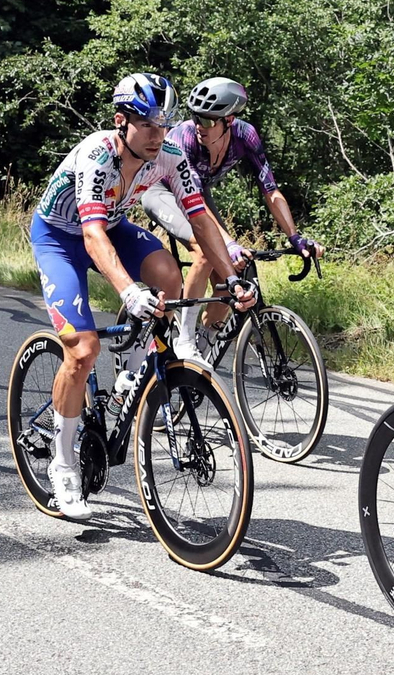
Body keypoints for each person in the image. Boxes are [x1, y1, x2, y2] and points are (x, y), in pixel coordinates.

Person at [29, 72, 253, 521]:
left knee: (170, 277)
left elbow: (202, 220)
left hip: (111, 228)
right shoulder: (98, 156)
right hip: (61, 237)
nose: (159, 136)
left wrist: (229, 279)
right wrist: (128, 291)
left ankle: (131, 369)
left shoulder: (168, 155)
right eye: (149, 125)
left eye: (166, 125)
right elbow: (91, 235)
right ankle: (63, 462)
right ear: (121, 122)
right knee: (82, 349)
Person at [162, 78, 322, 361]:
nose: (200, 125)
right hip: (161, 190)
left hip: (198, 195)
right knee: (205, 252)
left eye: (209, 121)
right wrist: (230, 244)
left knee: (230, 276)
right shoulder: (183, 137)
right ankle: (184, 341)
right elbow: (194, 206)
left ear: (229, 120)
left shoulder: (245, 136)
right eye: (196, 117)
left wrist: (294, 237)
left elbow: (270, 190)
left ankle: (205, 341)